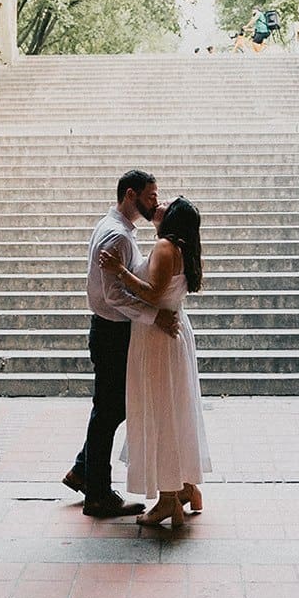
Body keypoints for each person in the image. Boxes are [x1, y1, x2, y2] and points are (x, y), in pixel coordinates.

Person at [64, 169, 180, 518]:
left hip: (110, 330)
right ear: (131, 195)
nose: (155, 203)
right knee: (109, 411)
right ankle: (97, 494)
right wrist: (154, 316)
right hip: (112, 333)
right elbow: (114, 295)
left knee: (112, 408)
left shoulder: (116, 228)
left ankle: (83, 471)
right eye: (150, 196)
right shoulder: (117, 236)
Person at [98, 196, 211, 528]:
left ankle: (167, 500)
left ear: (173, 217)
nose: (160, 204)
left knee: (160, 411)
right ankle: (186, 486)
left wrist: (119, 271)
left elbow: (152, 293)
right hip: (173, 331)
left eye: (167, 203)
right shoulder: (183, 248)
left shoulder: (165, 246)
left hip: (158, 338)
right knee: (176, 410)